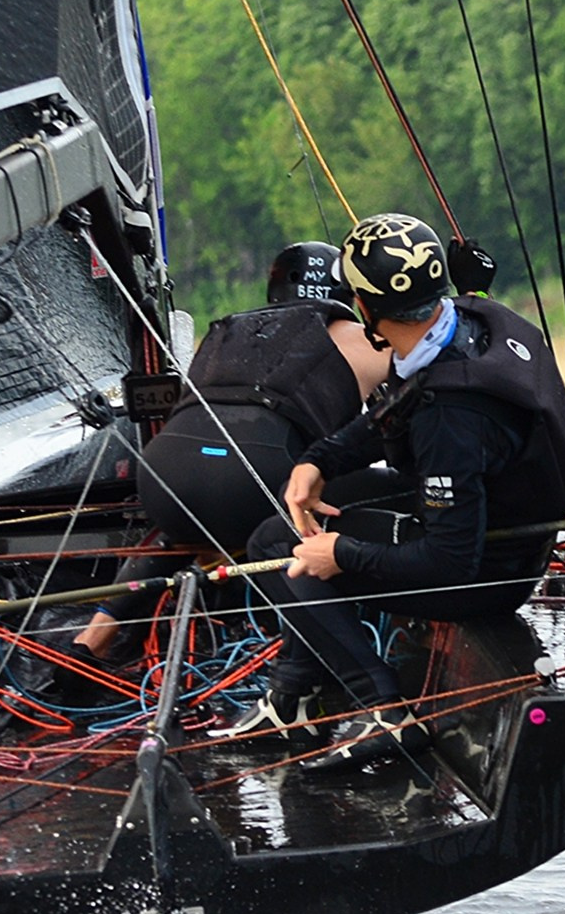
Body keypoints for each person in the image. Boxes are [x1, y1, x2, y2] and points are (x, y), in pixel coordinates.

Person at [233, 213, 565, 758]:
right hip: (502, 525)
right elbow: (397, 409)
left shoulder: (452, 418)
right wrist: (318, 461)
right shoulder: (471, 321)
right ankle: (291, 699)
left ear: (364, 307)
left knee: (279, 547)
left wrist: (343, 555)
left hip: (490, 576)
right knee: (296, 518)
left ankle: (384, 711)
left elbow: (450, 563)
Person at [72, 242, 390, 660]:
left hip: (164, 479)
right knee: (360, 496)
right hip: (255, 482)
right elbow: (431, 385)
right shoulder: (363, 338)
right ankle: (315, 658)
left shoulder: (230, 329)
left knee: (179, 533)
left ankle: (91, 640)